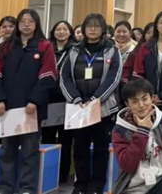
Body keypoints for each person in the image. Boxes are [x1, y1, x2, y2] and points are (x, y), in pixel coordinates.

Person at [0, 9, 57, 194]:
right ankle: (4, 187)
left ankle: (27, 188)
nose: (26, 24)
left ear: (36, 24)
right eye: (23, 21)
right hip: (7, 108)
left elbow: (48, 75)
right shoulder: (5, 47)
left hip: (31, 109)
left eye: (30, 21)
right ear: (18, 24)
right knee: (6, 150)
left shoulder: (44, 46)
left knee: (29, 150)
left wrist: (35, 100)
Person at [60, 13, 123, 194]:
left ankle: (96, 186)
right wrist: (76, 99)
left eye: (97, 26)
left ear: (103, 29)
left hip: (102, 108)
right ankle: (80, 185)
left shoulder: (112, 50)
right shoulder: (73, 50)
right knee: (80, 148)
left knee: (101, 149)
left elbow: (114, 78)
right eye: (89, 26)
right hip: (78, 108)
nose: (93, 29)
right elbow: (64, 77)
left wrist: (96, 99)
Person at [42, 20, 77, 183]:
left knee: (66, 139)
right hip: (49, 99)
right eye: (58, 29)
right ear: (53, 32)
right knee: (47, 138)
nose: (61, 32)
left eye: (64, 29)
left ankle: (63, 175)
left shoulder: (75, 50)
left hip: (68, 100)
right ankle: (47, 173)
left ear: (70, 32)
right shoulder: (47, 48)